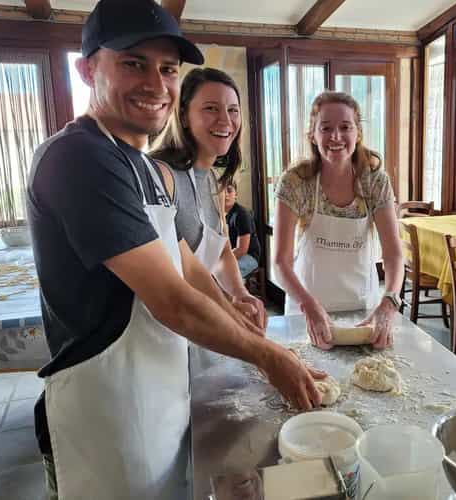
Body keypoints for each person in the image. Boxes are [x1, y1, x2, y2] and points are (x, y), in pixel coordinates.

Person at [27, 0, 323, 500]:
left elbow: (189, 270)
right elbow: (171, 299)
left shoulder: (139, 165)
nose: (155, 84)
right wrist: (270, 359)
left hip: (155, 394)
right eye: (133, 64)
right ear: (86, 70)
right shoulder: (79, 157)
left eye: (167, 69)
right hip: (108, 408)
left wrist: (238, 309)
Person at [273, 91, 404, 350]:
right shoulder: (296, 182)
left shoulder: (374, 180)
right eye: (326, 128)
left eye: (345, 127)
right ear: (313, 134)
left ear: (358, 134)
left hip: (361, 312)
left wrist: (389, 301)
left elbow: (393, 254)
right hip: (305, 311)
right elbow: (280, 262)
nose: (336, 137)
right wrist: (308, 306)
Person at [150, 67, 265, 327]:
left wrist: (241, 294)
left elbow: (222, 253)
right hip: (165, 327)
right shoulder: (161, 176)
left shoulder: (212, 179)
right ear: (184, 117)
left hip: (202, 323)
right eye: (211, 108)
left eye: (233, 110)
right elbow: (179, 271)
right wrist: (228, 310)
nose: (225, 120)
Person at [224, 181, 261, 278]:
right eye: (222, 191)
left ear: (235, 194)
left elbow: (242, 249)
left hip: (249, 256)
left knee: (226, 274)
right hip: (232, 255)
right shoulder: (219, 214)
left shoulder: (241, 214)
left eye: (229, 191)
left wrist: (222, 260)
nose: (225, 194)